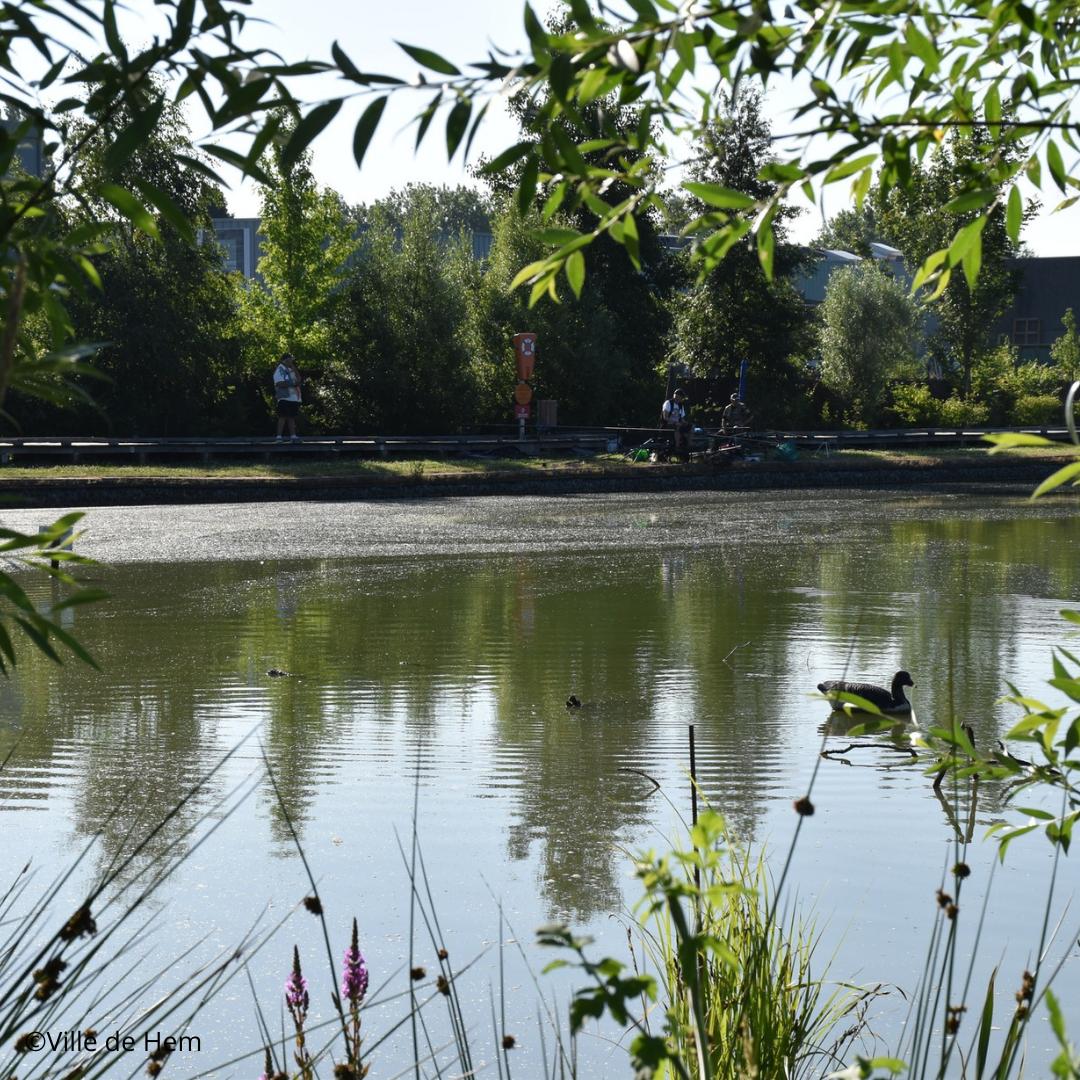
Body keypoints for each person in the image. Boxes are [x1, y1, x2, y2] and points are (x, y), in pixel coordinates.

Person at [273, 352, 303, 443]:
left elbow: (299, 379)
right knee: (282, 416)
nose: (292, 361)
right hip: (284, 397)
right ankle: (278, 437)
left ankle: (293, 436)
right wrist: (293, 383)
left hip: (293, 397)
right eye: (290, 359)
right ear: (285, 360)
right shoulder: (280, 369)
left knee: (291, 417)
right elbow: (279, 383)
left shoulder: (291, 369)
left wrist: (295, 369)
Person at [661, 388, 691, 452]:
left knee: (690, 427)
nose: (681, 398)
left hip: (677, 424)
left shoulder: (680, 406)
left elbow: (682, 419)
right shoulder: (668, 403)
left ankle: (687, 445)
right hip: (667, 425)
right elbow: (665, 417)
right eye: (680, 396)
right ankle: (677, 447)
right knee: (677, 427)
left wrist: (686, 423)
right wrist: (675, 422)